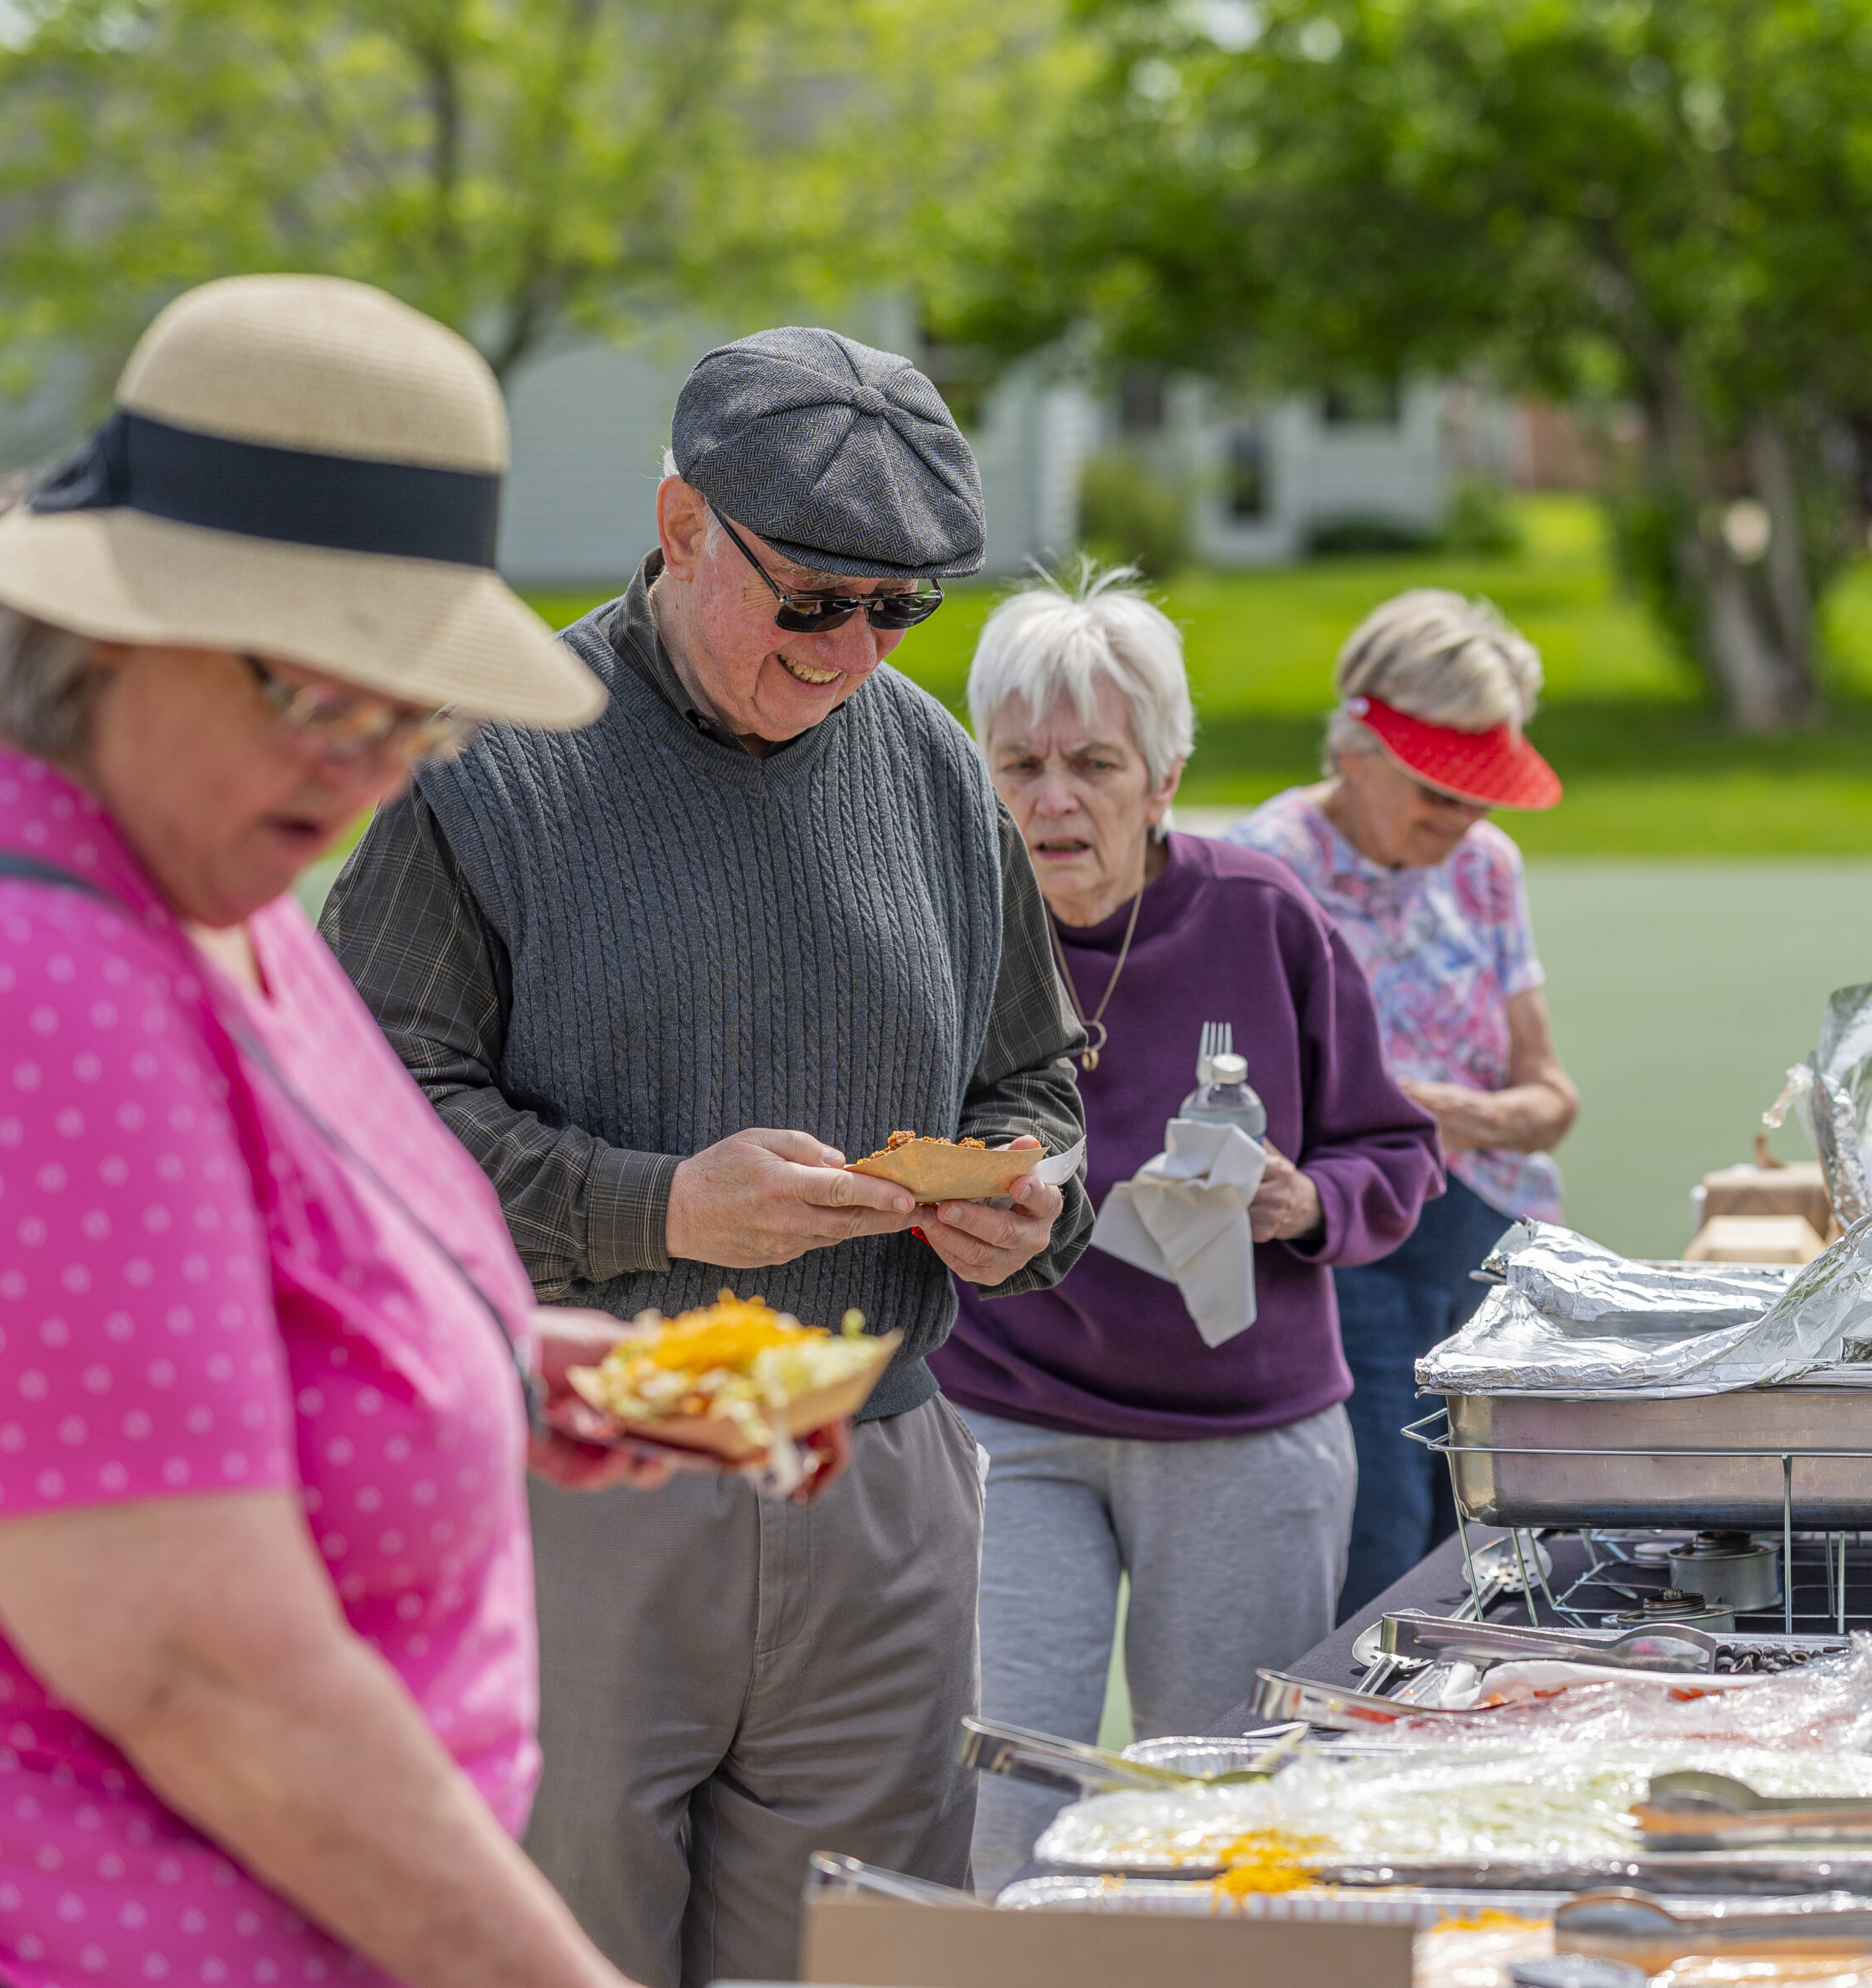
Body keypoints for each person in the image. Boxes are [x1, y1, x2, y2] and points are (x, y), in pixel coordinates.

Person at [323, 328, 1092, 1981]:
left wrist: (1028, 1199)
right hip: (584, 1484)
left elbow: (1033, 1077)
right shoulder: (477, 756)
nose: (852, 651)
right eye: (812, 598)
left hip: (876, 1493)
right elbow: (357, 1138)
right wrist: (656, 1206)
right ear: (679, 524)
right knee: (553, 1948)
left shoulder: (941, 770)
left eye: (902, 610)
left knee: (855, 1963)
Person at [0, 274, 704, 1986]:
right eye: (317, 696)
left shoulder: (199, 879)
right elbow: (193, 1662)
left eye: (413, 715)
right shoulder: (53, 970)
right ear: (113, 628)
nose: (365, 769)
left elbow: (189, 1320)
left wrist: (495, 1362)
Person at [926, 567, 1441, 1892]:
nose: (1053, 798)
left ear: (1161, 780)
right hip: (1011, 1409)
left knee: (1219, 1814)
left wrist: (1308, 1200)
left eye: (1093, 762)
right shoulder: (941, 928)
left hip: (1243, 1431)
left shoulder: (1261, 915)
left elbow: (1395, 1148)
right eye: (1020, 762)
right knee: (1000, 1790)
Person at [1230, 588, 1580, 1619]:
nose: (1460, 820)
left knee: (1501, 1532)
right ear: (1355, 748)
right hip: (1351, 1241)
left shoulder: (1484, 868)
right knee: (1377, 1536)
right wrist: (1436, 1115)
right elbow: (1264, 1106)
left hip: (1492, 1231)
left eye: (1479, 796)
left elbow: (1552, 1097)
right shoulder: (1268, 866)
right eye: (1438, 793)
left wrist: (1414, 1108)